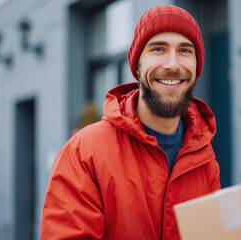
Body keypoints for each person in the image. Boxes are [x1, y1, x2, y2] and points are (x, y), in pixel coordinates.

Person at [41, 5, 220, 240]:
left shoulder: (205, 161)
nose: (173, 64)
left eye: (185, 51)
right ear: (137, 66)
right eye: (158, 49)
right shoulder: (84, 153)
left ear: (197, 68)